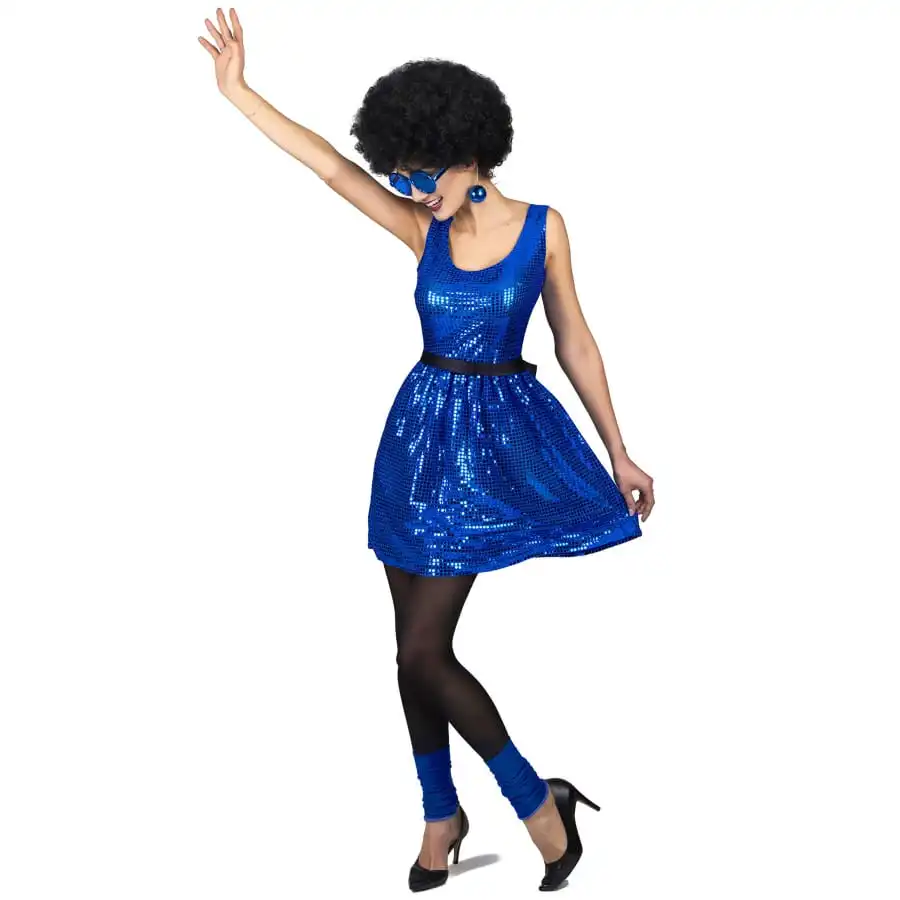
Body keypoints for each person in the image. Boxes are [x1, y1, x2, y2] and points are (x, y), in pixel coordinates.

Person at [199, 8, 655, 893]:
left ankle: (538, 803)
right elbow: (328, 165)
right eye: (399, 174)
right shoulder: (423, 230)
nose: (411, 188)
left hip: (493, 451)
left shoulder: (545, 228)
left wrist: (620, 450)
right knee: (412, 651)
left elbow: (575, 340)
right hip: (415, 444)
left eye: (423, 172)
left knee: (422, 654)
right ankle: (439, 814)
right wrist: (240, 94)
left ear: (471, 151)